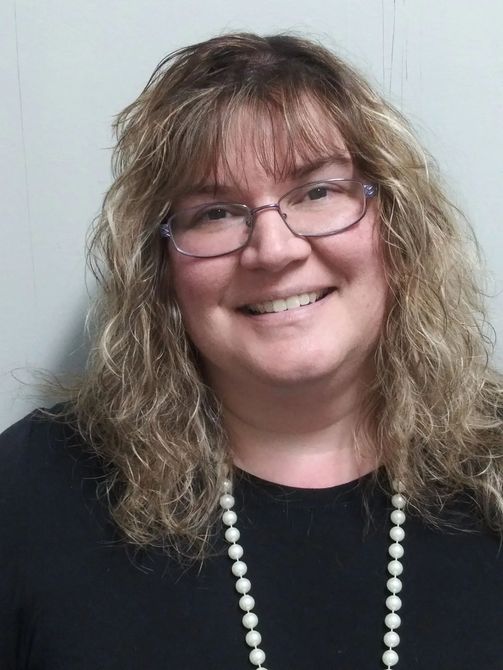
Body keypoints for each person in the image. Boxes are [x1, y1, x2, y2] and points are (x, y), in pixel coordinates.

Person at [1, 32, 502, 670]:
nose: (274, 248)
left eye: (318, 192)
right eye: (215, 213)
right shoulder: (31, 495)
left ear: (398, 226)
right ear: (161, 270)